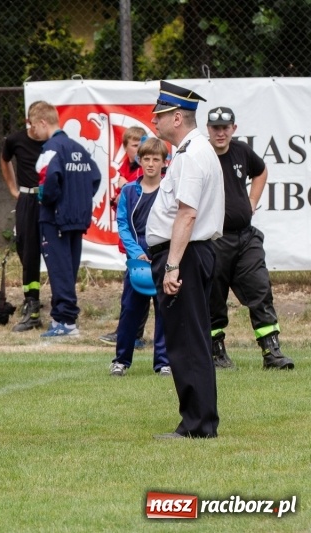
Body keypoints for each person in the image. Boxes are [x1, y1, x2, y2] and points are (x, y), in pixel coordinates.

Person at [146, 81, 223, 439]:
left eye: (159, 113)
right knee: (191, 337)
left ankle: (197, 425)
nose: (153, 118)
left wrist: (173, 264)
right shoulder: (194, 151)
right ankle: (198, 420)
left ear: (177, 117)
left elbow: (187, 214)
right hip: (190, 254)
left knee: (186, 340)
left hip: (186, 256)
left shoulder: (192, 155)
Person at [206, 107, 294, 370]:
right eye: (215, 128)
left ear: (234, 128)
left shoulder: (242, 150)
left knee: (260, 289)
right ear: (207, 129)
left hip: (246, 237)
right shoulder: (200, 155)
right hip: (213, 240)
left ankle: (272, 352)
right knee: (213, 298)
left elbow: (261, 171)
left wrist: (252, 201)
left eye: (225, 127)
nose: (220, 133)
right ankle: (216, 352)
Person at [34, 102, 101, 337]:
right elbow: (95, 177)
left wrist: (46, 199)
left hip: (55, 219)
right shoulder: (78, 148)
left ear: (43, 122)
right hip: (76, 219)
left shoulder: (51, 148)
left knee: (59, 270)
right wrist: (78, 200)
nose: (33, 132)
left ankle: (66, 321)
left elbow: (48, 180)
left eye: (34, 126)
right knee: (68, 270)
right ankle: (61, 317)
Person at [108, 137, 170, 377]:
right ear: (139, 161)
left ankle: (163, 362)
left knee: (165, 310)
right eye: (146, 159)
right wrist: (136, 252)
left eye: (156, 159)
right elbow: (122, 224)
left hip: (163, 257)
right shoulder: (128, 191)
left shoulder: (169, 190)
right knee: (130, 310)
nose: (151, 164)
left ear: (165, 162)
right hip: (138, 259)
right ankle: (121, 360)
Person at [99, 126, 148, 347]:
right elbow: (119, 207)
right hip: (131, 239)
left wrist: (122, 191)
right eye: (134, 145)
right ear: (125, 147)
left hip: (143, 240)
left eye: (141, 145)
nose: (138, 150)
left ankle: (132, 335)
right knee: (135, 286)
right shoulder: (125, 170)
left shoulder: (143, 172)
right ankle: (129, 333)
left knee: (140, 286)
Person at [0, 103, 46, 332]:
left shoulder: (54, 141)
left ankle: (62, 306)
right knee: (27, 251)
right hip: (27, 200)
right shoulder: (15, 140)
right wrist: (12, 188)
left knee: (55, 252)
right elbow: (4, 159)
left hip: (49, 200)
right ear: (29, 123)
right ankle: (31, 300)